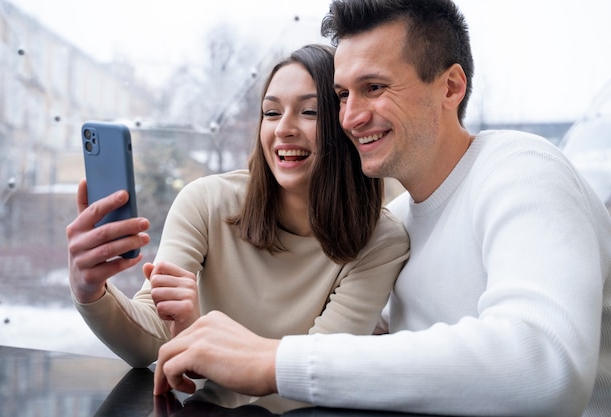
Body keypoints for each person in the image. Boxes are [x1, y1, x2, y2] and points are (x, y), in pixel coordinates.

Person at [152, 1, 611, 416]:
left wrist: (273, 361)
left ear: (451, 87)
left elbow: (543, 365)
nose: (349, 117)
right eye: (343, 95)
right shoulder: (403, 226)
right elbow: (377, 360)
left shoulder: (523, 170)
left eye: (374, 87)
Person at [66, 43, 409, 369]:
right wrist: (90, 290)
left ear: (346, 124)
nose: (283, 129)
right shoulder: (206, 202)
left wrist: (196, 335)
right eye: (271, 112)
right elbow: (148, 338)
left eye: (310, 112)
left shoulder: (381, 242)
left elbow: (315, 371)